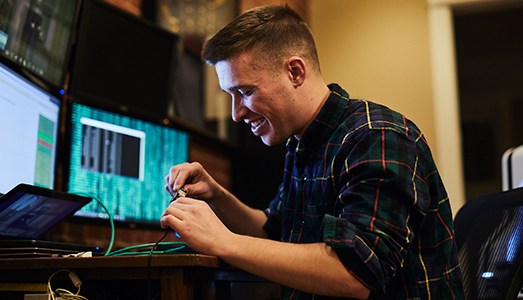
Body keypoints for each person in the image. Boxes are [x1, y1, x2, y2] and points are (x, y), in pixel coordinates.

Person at [161, 5, 464, 300]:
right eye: (231, 96)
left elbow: (355, 274)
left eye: (246, 92)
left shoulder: (377, 137)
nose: (236, 114)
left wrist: (222, 241)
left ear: (295, 71)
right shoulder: (304, 142)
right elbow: (273, 232)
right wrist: (217, 196)